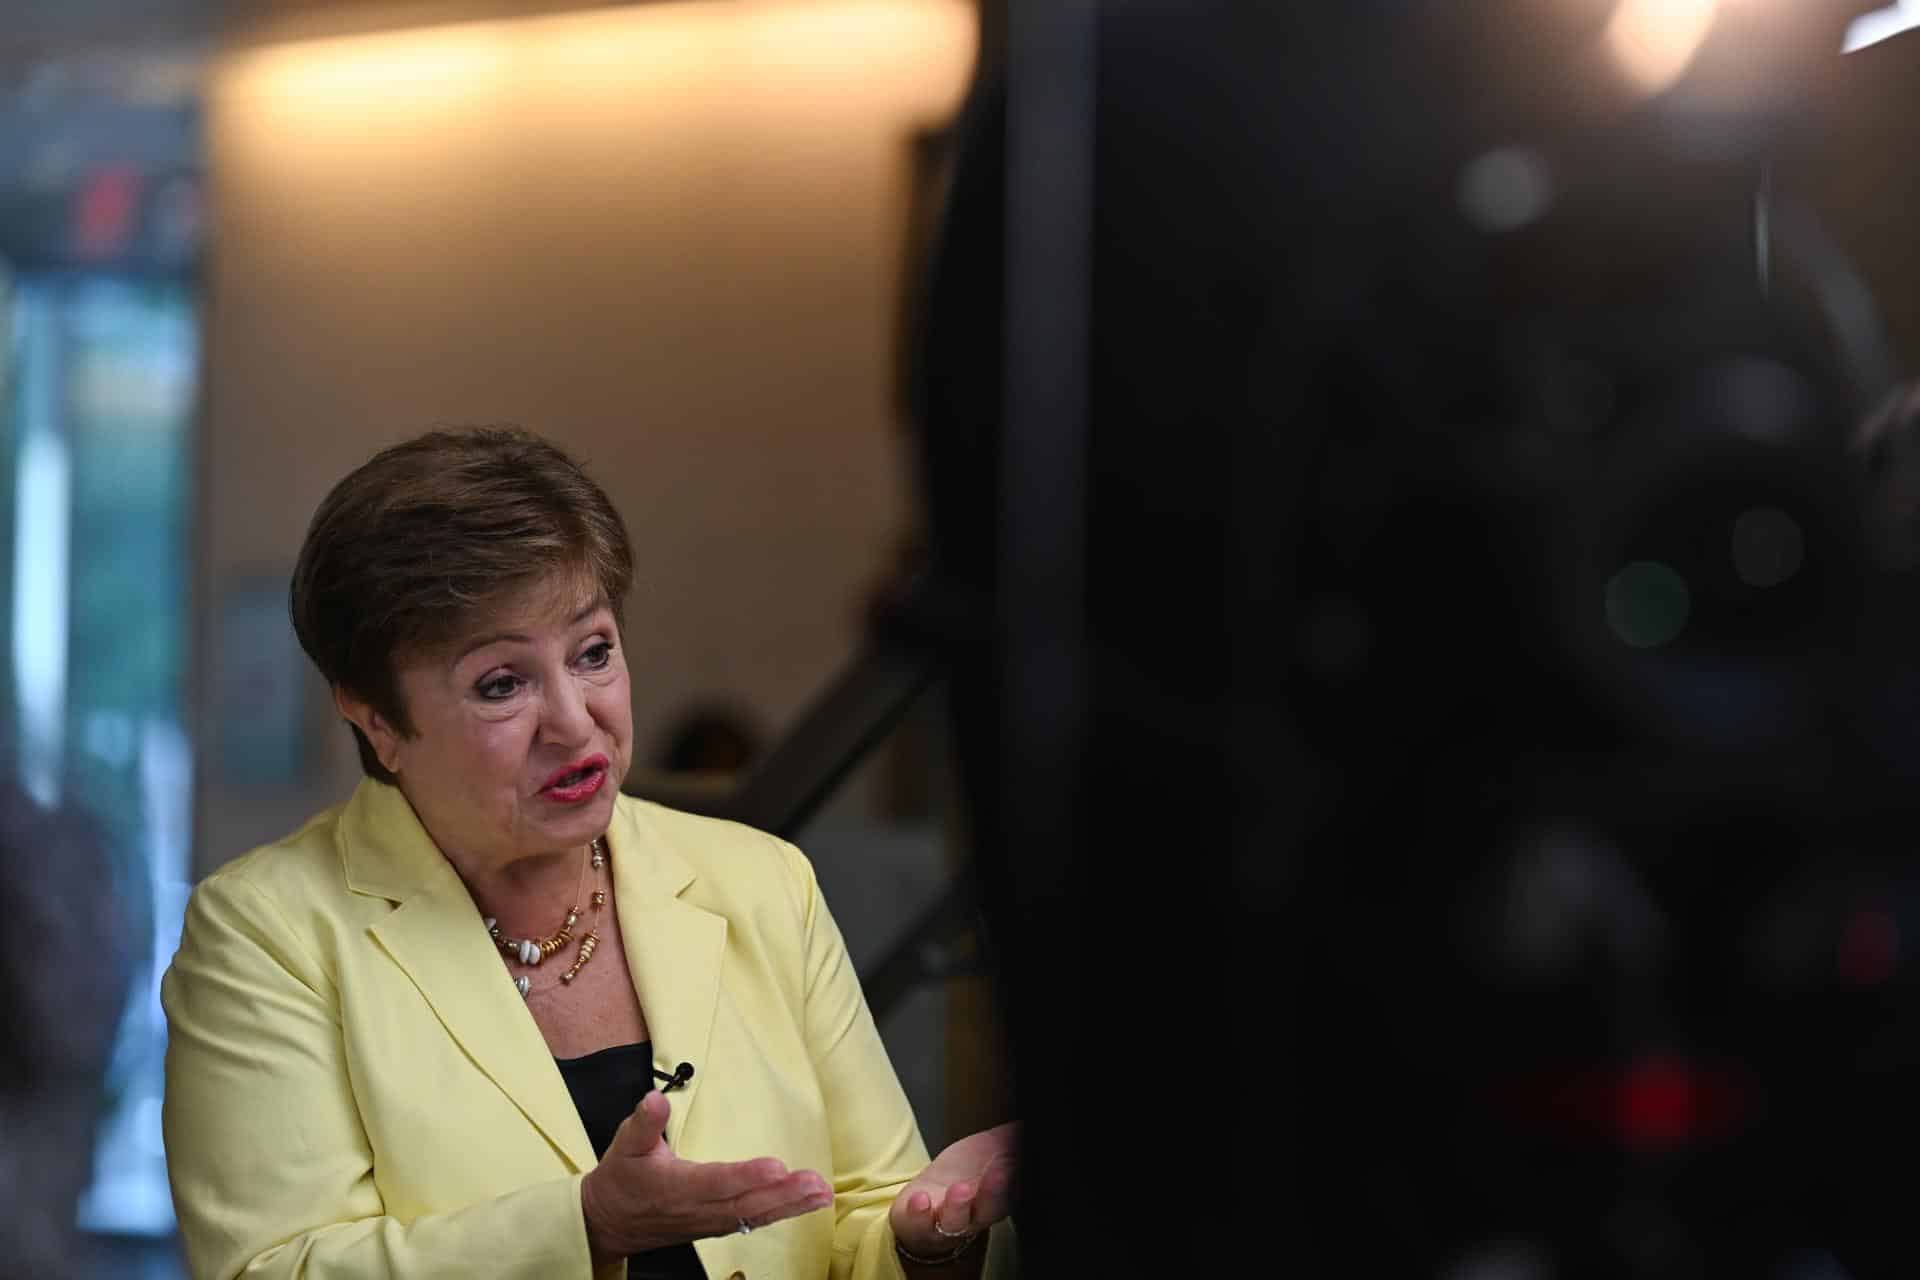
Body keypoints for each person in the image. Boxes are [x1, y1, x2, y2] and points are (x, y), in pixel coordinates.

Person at [161, 428, 1016, 1279]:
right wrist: (587, 1227)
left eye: (594, 652)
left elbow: (862, 1216)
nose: (576, 721)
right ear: (376, 718)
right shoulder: (264, 931)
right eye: (503, 683)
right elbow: (271, 1269)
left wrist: (927, 1236)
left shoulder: (761, 882)